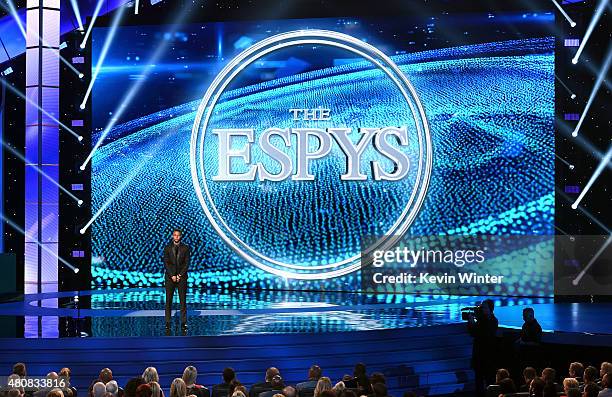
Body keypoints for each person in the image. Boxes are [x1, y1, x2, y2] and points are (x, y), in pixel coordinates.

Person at [467, 299, 498, 396]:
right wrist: (471, 323)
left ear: (490, 309)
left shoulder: (493, 321)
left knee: (489, 379)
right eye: (481, 307)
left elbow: (481, 334)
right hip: (479, 354)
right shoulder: (481, 320)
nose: (482, 309)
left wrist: (473, 323)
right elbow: (472, 333)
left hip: (488, 355)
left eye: (484, 308)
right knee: (478, 379)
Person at [163, 228, 190, 331]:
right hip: (170, 278)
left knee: (182, 301)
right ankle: (168, 322)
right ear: (172, 236)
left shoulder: (186, 248)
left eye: (178, 235)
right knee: (168, 300)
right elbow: (166, 263)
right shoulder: (167, 248)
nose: (176, 237)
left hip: (182, 278)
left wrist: (179, 275)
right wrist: (172, 275)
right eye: (175, 235)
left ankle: (183, 323)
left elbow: (187, 263)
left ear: (180, 236)